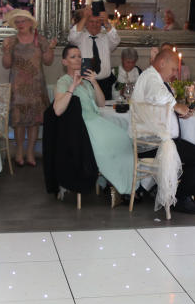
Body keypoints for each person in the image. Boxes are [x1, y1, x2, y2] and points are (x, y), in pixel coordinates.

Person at [132, 49, 195, 215]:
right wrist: (176, 106)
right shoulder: (151, 77)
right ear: (162, 63)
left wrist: (179, 113)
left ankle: (183, 196)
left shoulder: (153, 77)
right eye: (173, 69)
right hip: (153, 144)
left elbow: (157, 108)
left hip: (157, 140)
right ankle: (182, 198)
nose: (175, 74)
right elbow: (157, 95)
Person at [53, 45, 134, 199]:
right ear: (64, 62)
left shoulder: (86, 81)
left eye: (79, 56)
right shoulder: (63, 81)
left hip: (96, 121)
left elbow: (101, 103)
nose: (78, 59)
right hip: (82, 126)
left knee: (124, 136)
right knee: (112, 143)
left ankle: (119, 184)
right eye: (73, 57)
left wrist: (94, 82)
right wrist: (72, 86)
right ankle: (116, 184)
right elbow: (57, 110)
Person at [2, 9, 56, 167]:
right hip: (18, 88)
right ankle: (19, 152)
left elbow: (47, 61)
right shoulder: (10, 41)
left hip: (36, 87)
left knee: (34, 122)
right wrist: (6, 51)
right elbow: (6, 65)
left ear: (31, 23)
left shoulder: (40, 40)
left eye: (23, 21)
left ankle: (30, 152)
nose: (20, 24)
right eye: (17, 22)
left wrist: (51, 48)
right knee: (19, 122)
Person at [69, 9, 121, 99]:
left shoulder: (106, 37)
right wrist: (84, 17)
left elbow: (116, 40)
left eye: (98, 22)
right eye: (91, 21)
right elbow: (72, 37)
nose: (94, 24)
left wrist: (106, 22)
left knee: (105, 111)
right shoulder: (80, 37)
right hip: (84, 83)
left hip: (104, 83)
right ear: (86, 23)